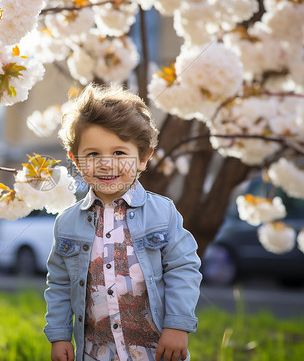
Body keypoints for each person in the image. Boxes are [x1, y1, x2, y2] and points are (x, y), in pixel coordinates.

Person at [44, 83, 202, 361]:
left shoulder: (162, 214)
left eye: (119, 153)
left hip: (156, 351)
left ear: (143, 158)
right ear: (76, 161)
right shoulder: (67, 223)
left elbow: (183, 268)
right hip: (96, 352)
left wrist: (178, 325)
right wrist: (59, 335)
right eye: (93, 154)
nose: (106, 163)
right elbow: (58, 283)